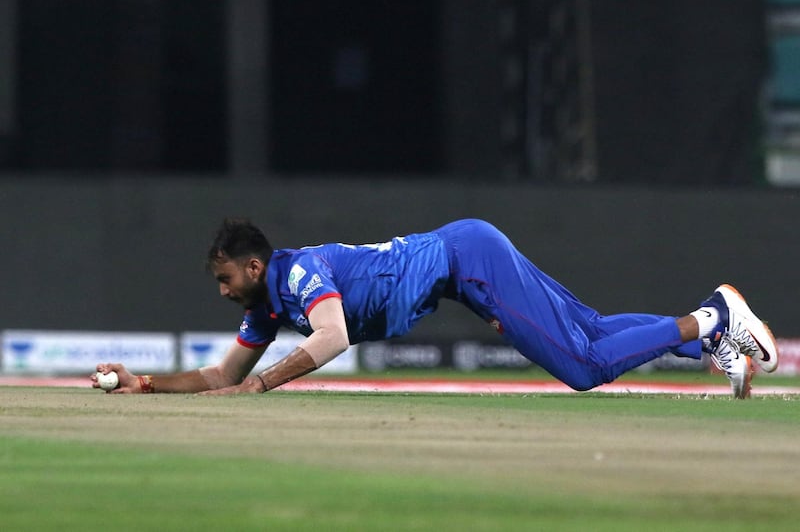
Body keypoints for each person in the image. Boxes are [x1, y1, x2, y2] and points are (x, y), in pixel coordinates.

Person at [92, 218, 779, 399]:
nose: (221, 292)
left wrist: (262, 383)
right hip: (465, 257)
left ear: (250, 266)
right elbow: (217, 376)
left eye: (223, 280)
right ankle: (703, 338)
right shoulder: (268, 302)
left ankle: (712, 318)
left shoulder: (298, 273)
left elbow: (331, 338)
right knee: (593, 330)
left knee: (584, 364)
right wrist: (143, 383)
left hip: (468, 260)